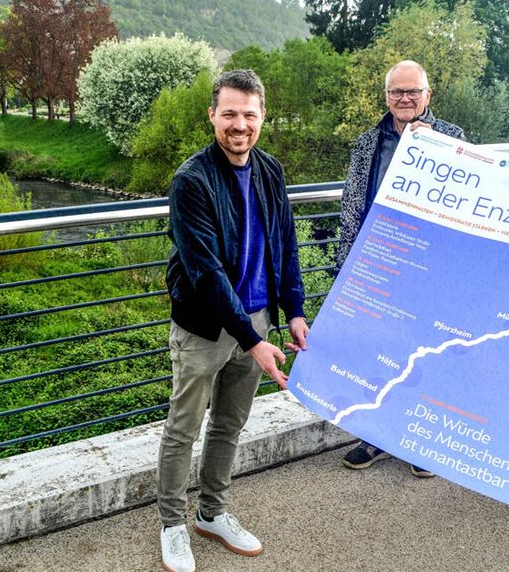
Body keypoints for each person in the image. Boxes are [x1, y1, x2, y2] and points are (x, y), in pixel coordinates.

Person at [157, 69, 309, 572]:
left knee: (229, 425)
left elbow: (285, 244)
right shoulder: (190, 180)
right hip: (205, 327)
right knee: (183, 428)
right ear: (212, 116)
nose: (239, 124)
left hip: (259, 320)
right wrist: (251, 340)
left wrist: (294, 311)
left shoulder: (270, 169)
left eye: (249, 114)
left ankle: (212, 512)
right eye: (229, 114)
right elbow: (204, 270)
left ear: (262, 116)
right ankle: (173, 525)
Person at [336, 60, 464, 477]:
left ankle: (420, 444)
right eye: (397, 92)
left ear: (429, 95)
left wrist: (440, 149)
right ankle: (376, 436)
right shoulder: (367, 142)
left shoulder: (453, 138)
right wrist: (346, 265)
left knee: (425, 354)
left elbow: (471, 198)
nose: (405, 99)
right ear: (386, 96)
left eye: (413, 91)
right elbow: (352, 205)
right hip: (379, 264)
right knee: (380, 354)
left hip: (432, 270)